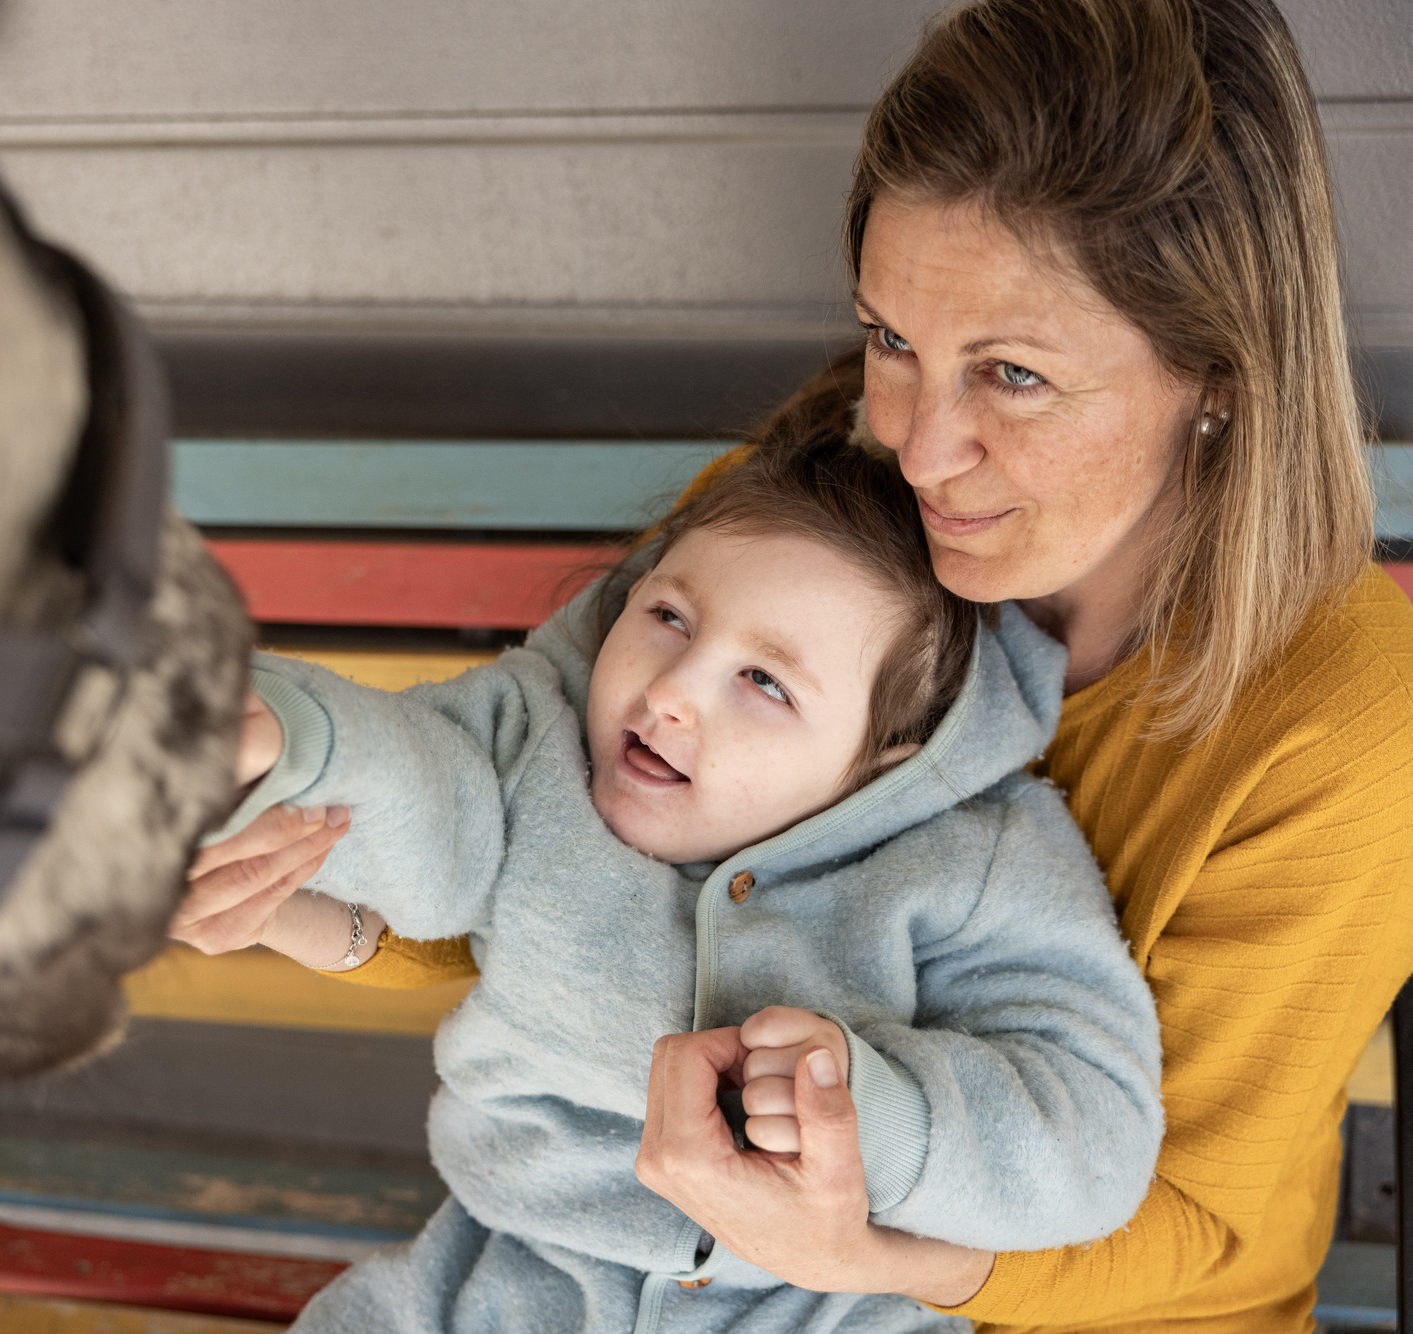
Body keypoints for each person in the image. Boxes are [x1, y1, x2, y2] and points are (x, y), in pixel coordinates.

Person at [175, 0, 1413, 1328]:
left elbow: (1188, 1220)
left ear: (1217, 369)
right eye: (892, 340)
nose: (920, 447)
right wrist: (308, 908)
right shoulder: (799, 522)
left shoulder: (1344, 720)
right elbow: (546, 841)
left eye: (1013, 375)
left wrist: (856, 1245)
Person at [198, 422, 1164, 1334]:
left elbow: (1092, 1127)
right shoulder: (537, 738)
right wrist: (292, 745)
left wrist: (882, 1119)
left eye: (765, 683)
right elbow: (421, 793)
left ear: (881, 764)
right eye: (668, 617)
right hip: (518, 1274)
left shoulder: (978, 858)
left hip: (815, 1306)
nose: (670, 693)